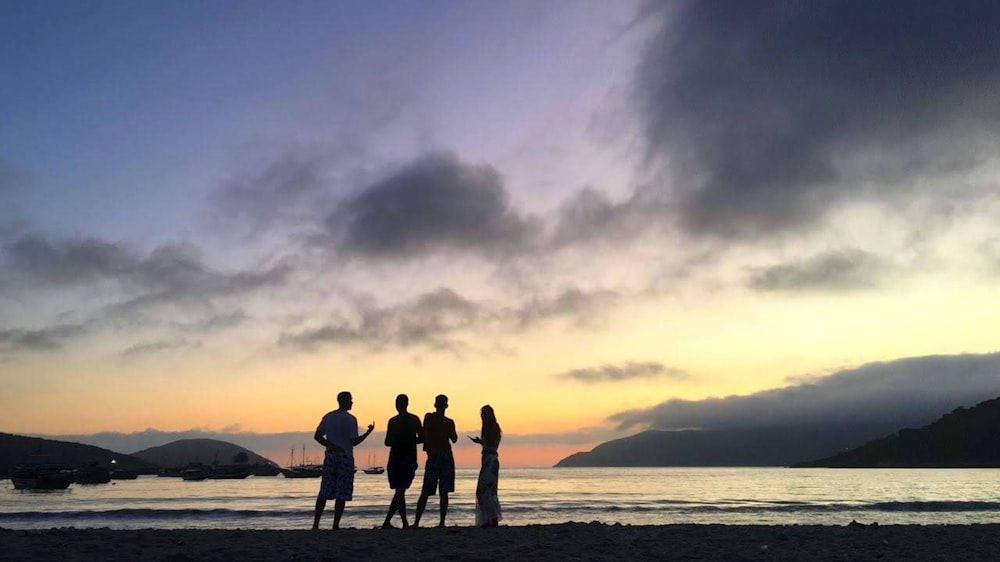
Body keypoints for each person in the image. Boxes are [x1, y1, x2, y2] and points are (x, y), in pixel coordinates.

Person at [312, 391, 374, 530]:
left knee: (324, 490)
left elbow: (317, 436)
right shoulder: (351, 419)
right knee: (342, 491)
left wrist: (331, 445)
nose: (352, 402)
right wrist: (368, 432)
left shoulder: (328, 417)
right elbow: (354, 442)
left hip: (331, 456)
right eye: (351, 400)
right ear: (345, 401)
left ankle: (316, 524)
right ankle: (335, 525)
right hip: (345, 457)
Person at [413, 394, 458, 528]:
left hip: (434, 456)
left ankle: (416, 522)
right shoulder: (449, 422)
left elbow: (424, 433)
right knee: (443, 492)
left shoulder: (429, 418)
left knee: (426, 490)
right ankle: (442, 522)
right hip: (445, 456)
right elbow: (454, 439)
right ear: (446, 406)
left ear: (435, 405)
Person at [381, 394, 423, 529]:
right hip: (405, 458)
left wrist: (402, 440)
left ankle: (391, 522)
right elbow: (422, 438)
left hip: (399, 458)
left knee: (400, 491)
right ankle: (398, 522)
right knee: (400, 491)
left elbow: (387, 442)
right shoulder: (413, 419)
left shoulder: (394, 421)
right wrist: (409, 440)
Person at [469, 404, 502, 528]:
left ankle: (491, 520)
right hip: (488, 459)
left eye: (485, 414)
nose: (483, 417)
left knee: (485, 491)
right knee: (486, 492)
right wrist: (480, 442)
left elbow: (491, 445)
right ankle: (489, 519)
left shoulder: (493, 427)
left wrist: (482, 442)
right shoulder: (488, 428)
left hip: (490, 460)